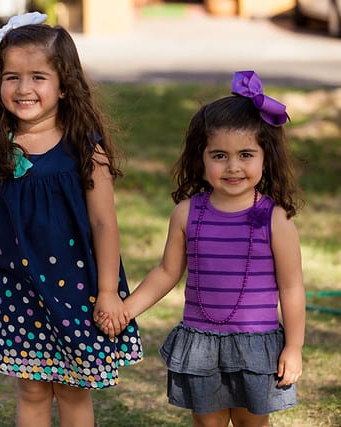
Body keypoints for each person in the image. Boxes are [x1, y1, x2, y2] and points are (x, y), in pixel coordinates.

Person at [0, 12, 143, 427]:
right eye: (11, 77)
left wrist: (109, 292)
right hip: (17, 287)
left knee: (74, 388)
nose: (24, 88)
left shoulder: (84, 149)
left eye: (38, 77)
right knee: (32, 387)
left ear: (64, 85)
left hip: (80, 288)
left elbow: (104, 225)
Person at [98, 70, 306, 427]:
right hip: (202, 346)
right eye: (220, 155)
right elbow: (166, 272)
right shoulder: (187, 213)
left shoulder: (276, 219)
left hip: (256, 347)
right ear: (202, 157)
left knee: (251, 423)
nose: (233, 166)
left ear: (264, 157)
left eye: (245, 154)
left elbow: (291, 287)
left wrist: (294, 347)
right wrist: (126, 309)